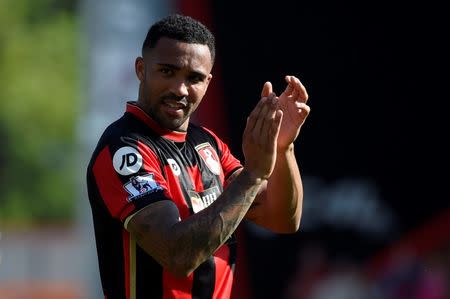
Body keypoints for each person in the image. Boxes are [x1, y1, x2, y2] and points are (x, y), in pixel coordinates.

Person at [86, 13, 310, 299]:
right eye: (167, 71)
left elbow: (283, 219)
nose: (179, 89)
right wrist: (253, 175)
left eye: (194, 78)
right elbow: (178, 255)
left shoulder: (208, 145)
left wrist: (282, 148)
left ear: (208, 82)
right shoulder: (124, 148)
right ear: (141, 69)